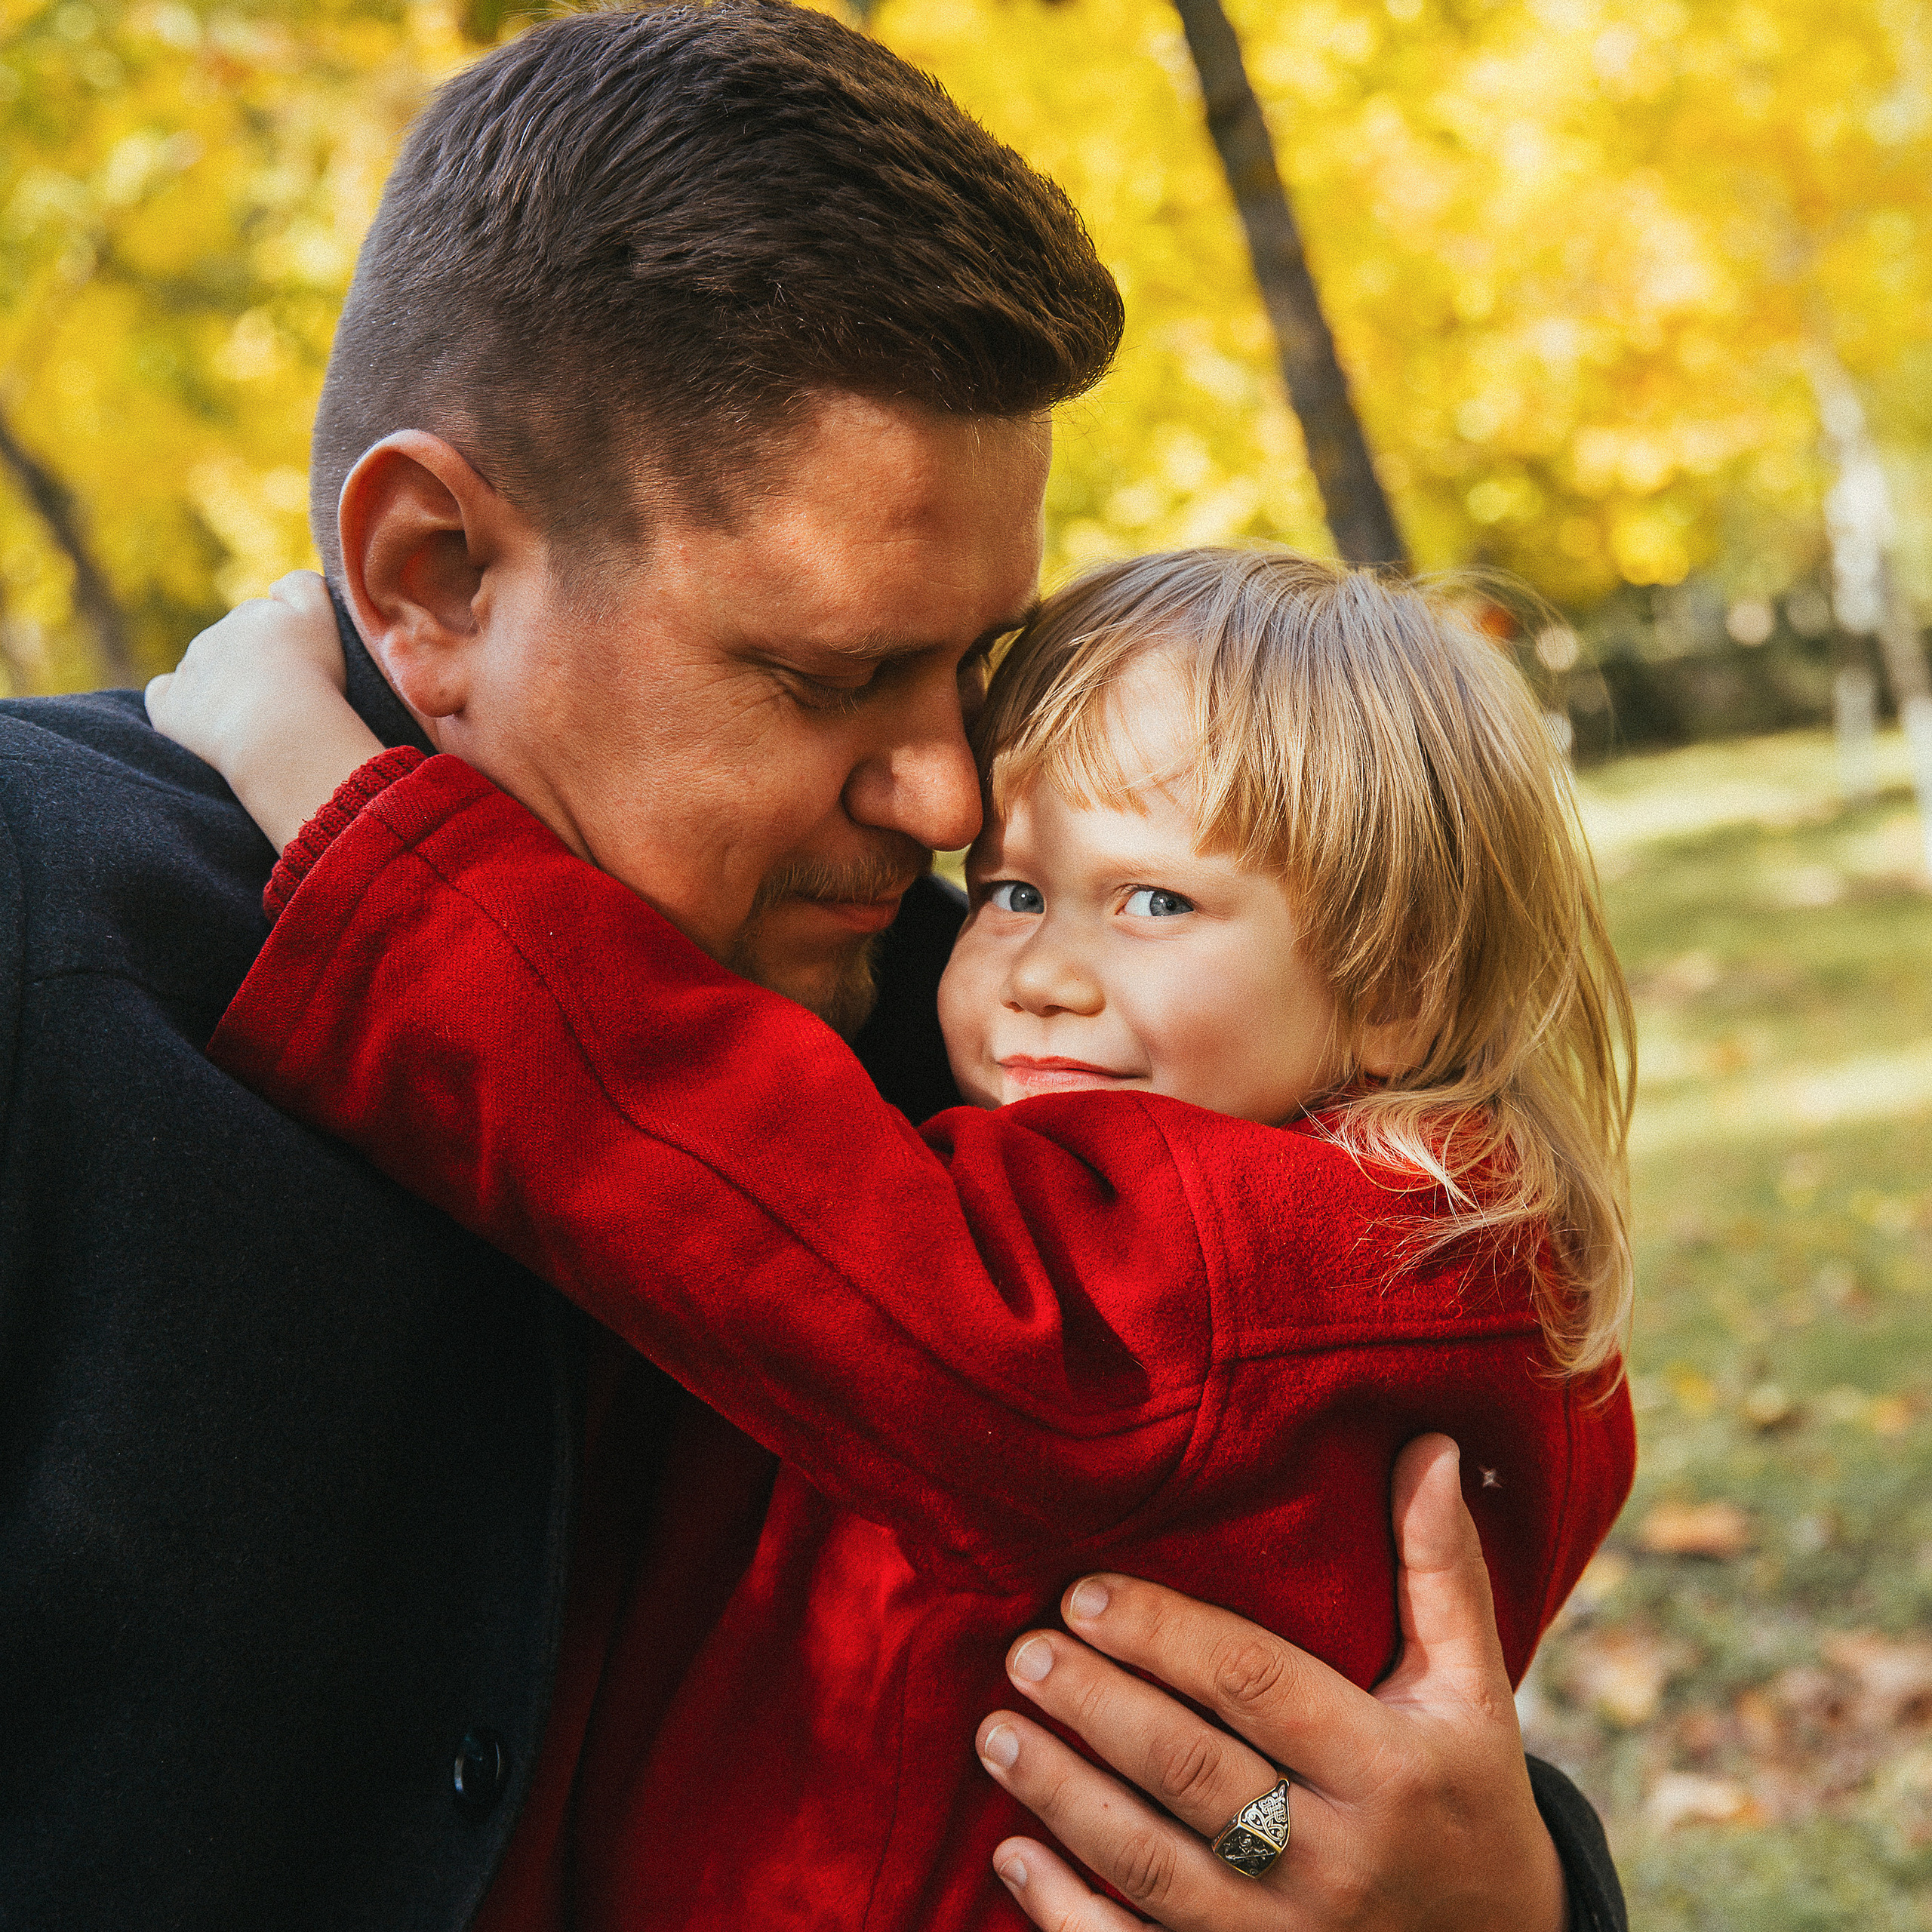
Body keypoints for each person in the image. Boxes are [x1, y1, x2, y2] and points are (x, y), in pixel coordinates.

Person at [0, 7, 1624, 1928]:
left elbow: (1333, 1682)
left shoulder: (979, 1033)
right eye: (829, 672)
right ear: (434, 573)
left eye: (972, 668)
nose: (945, 794)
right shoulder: (54, 940)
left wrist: (1506, 1903)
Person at [149, 544, 1638, 1932]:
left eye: (1151, 899)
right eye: (1011, 890)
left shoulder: (1265, 1269)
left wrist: (317, 779)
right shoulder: (1464, 1268)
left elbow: (703, 1154)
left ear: (1399, 985)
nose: (1043, 970)